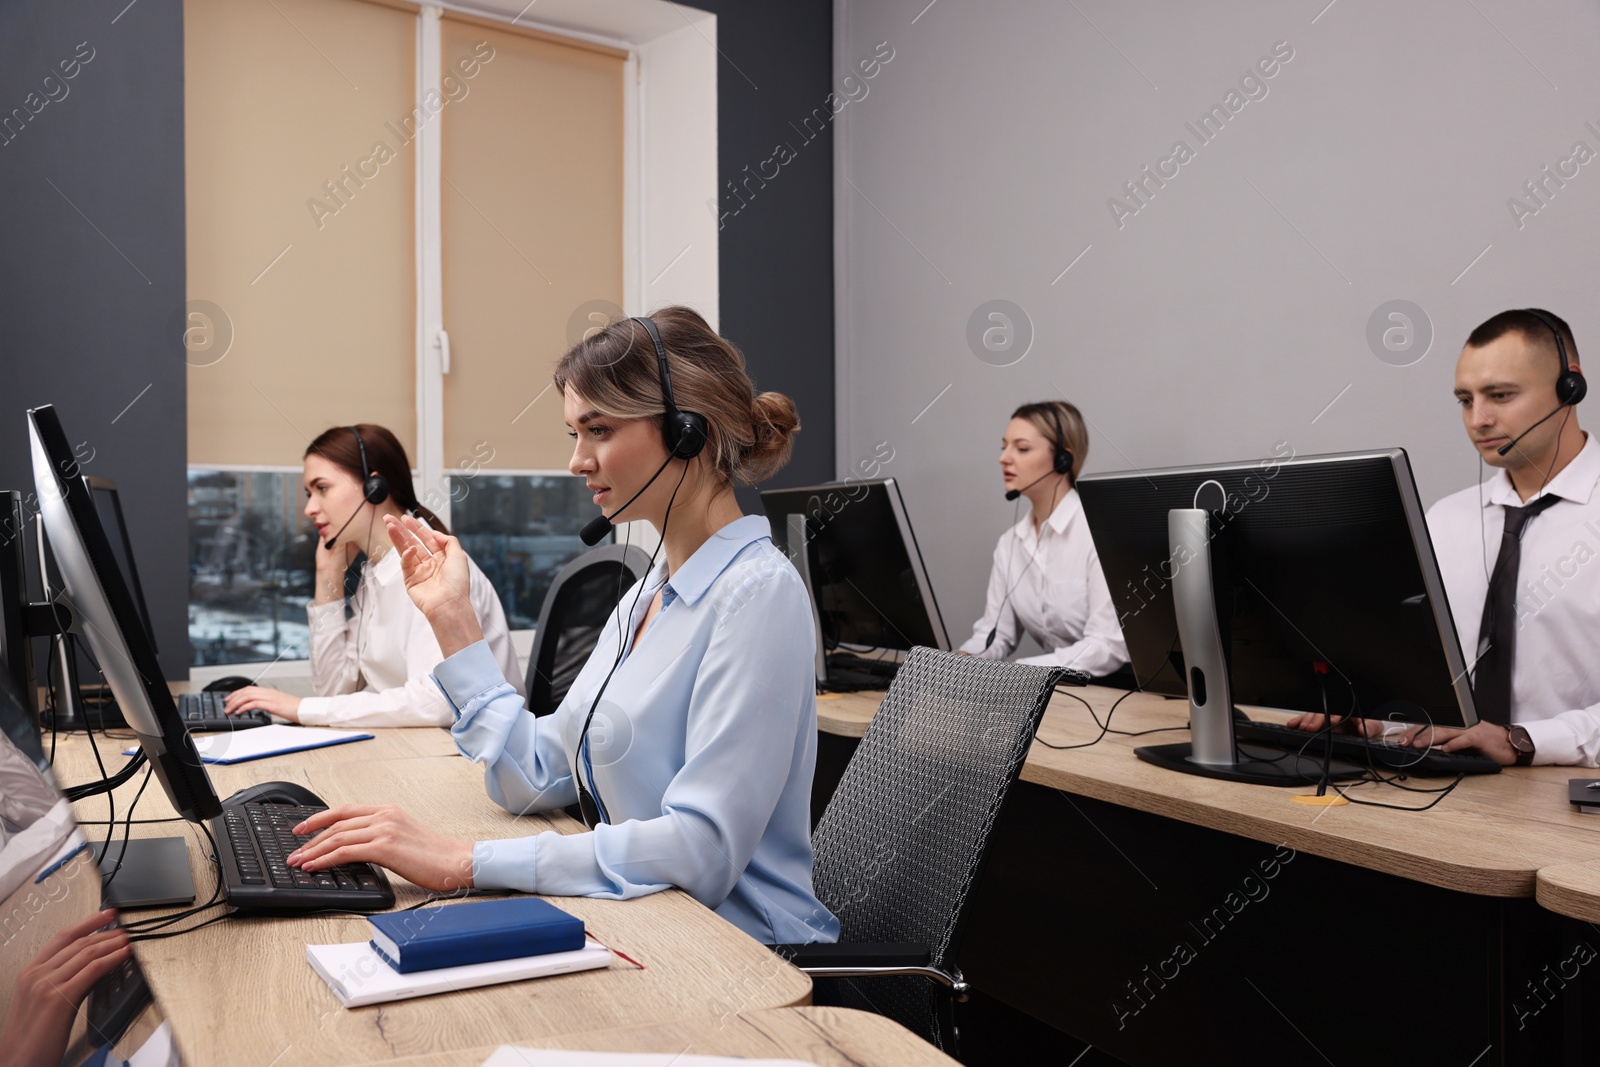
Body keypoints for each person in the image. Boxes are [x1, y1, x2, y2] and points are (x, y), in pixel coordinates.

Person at [283, 308, 839, 946]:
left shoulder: (757, 594)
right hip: (648, 922)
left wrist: (466, 861)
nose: (577, 461)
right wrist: (453, 621)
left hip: (740, 951)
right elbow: (536, 773)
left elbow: (702, 850)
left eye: (598, 429)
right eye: (574, 433)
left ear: (689, 431)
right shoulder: (644, 598)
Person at [1293, 308, 1600, 766]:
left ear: (1568, 385)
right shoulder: (1446, 519)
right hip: (1453, 791)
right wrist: (1380, 720)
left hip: (1568, 806)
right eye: (1465, 400)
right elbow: (1430, 684)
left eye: (1500, 395)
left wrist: (1524, 740)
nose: (1478, 419)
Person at [223, 424, 522, 727]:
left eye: (322, 488)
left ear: (373, 487)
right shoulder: (377, 575)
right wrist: (327, 578)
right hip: (424, 751)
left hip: (469, 761)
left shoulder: (430, 566)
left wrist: (301, 708)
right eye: (308, 493)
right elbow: (333, 690)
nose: (310, 508)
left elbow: (439, 702)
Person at [957, 401, 1128, 676]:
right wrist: (959, 661)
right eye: (1004, 447)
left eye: (1021, 448)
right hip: (1055, 690)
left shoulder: (1098, 534)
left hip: (1116, 693)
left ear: (1063, 459)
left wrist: (1021, 670)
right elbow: (996, 635)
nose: (1004, 458)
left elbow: (1106, 646)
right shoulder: (1010, 544)